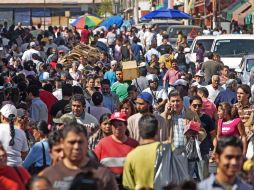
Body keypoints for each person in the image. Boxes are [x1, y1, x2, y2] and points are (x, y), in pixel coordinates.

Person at [40, 124, 118, 190]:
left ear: (87, 142)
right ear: (62, 143)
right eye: (72, 142)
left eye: (80, 142)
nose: (76, 147)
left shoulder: (102, 175)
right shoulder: (48, 175)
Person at [94, 112, 138, 185]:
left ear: (126, 125)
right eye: (114, 125)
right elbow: (94, 164)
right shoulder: (102, 144)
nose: (117, 128)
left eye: (120, 124)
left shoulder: (134, 144)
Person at [123, 114, 160, 190]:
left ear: (139, 131)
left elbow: (128, 186)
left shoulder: (131, 156)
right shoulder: (169, 151)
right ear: (157, 130)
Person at [189, 96, 216, 180]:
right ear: (190, 105)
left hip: (203, 152)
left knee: (203, 178)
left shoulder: (207, 118)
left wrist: (215, 150)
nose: (197, 108)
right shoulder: (185, 117)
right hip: (188, 153)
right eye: (194, 105)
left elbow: (213, 136)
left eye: (199, 105)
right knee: (187, 181)